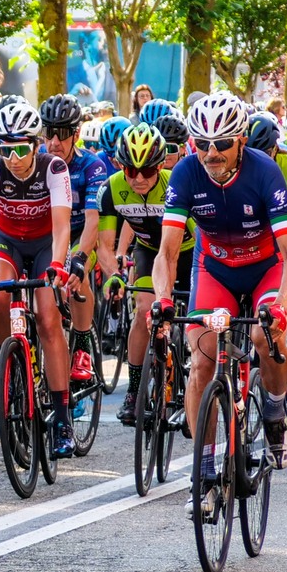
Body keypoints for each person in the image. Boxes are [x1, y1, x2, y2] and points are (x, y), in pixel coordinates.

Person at [150, 93, 287, 497]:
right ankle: (201, 473)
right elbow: (167, 250)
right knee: (200, 357)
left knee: (263, 335)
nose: (211, 153)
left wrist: (283, 306)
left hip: (264, 269)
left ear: (240, 141)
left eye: (220, 144)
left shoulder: (264, 172)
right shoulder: (185, 174)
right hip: (215, 268)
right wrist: (163, 300)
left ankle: (273, 410)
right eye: (202, 144)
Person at [0, 99, 77, 461]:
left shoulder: (54, 167)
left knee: (49, 319)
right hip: (5, 240)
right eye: (5, 149)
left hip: (45, 243)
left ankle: (62, 418)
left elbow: (62, 225)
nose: (13, 157)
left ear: (36, 144)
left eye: (21, 148)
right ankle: (9, 360)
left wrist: (60, 265)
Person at [97, 122, 186, 428]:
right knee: (143, 313)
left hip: (189, 253)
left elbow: (205, 234)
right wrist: (114, 276)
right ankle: (134, 392)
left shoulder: (177, 184)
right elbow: (104, 247)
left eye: (147, 171)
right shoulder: (111, 189)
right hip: (148, 251)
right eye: (129, 170)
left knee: (195, 321)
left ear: (160, 165)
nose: (137, 178)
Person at [40, 93, 107, 385]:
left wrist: (80, 260)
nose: (54, 141)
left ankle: (81, 346)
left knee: (75, 278)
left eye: (63, 133)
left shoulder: (92, 167)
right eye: (48, 132)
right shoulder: (35, 162)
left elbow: (94, 220)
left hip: (81, 232)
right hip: (49, 232)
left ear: (76, 135)